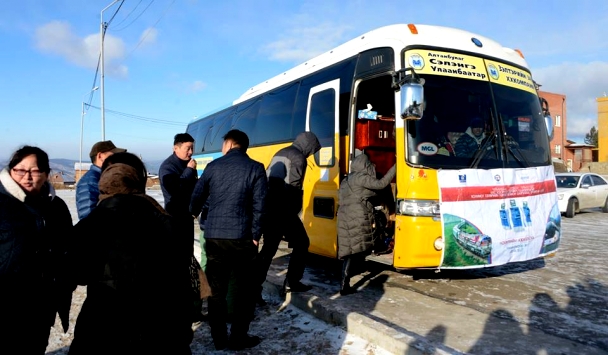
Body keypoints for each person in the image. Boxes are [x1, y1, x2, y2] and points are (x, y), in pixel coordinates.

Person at [67, 153, 193, 354]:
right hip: (158, 326)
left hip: (103, 325)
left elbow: (78, 274)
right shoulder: (164, 221)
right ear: (139, 180)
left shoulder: (89, 225)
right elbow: (181, 281)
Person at [190, 129, 267, 351]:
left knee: (216, 291)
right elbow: (260, 207)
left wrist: (193, 213)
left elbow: (197, 197)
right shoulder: (256, 168)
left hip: (214, 237)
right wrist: (255, 236)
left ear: (230, 143)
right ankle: (238, 337)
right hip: (242, 238)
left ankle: (219, 339)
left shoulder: (213, 166)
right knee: (244, 292)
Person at [0, 146, 74, 354]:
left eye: (35, 171)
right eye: (20, 170)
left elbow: (67, 247)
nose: (27, 176)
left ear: (46, 173)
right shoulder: (2, 203)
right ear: (10, 170)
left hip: (42, 304)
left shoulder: (56, 206)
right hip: (7, 302)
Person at [257, 131, 321, 301]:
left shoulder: (281, 152)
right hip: (283, 210)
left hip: (269, 207)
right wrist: (293, 215)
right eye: (312, 150)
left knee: (268, 249)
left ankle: (253, 289)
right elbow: (293, 188)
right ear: (308, 146)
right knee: (302, 242)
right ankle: (292, 281)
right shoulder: (299, 158)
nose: (311, 153)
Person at [337, 154, 396, 295]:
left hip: (344, 215)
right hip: (356, 216)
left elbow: (361, 194)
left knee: (350, 248)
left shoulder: (347, 179)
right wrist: (396, 166)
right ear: (365, 166)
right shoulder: (361, 178)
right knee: (353, 250)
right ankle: (344, 285)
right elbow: (381, 184)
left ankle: (346, 280)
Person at [75, 140, 126, 219]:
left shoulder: (104, 177)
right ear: (100, 156)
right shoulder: (90, 181)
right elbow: (88, 217)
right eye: (113, 155)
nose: (116, 159)